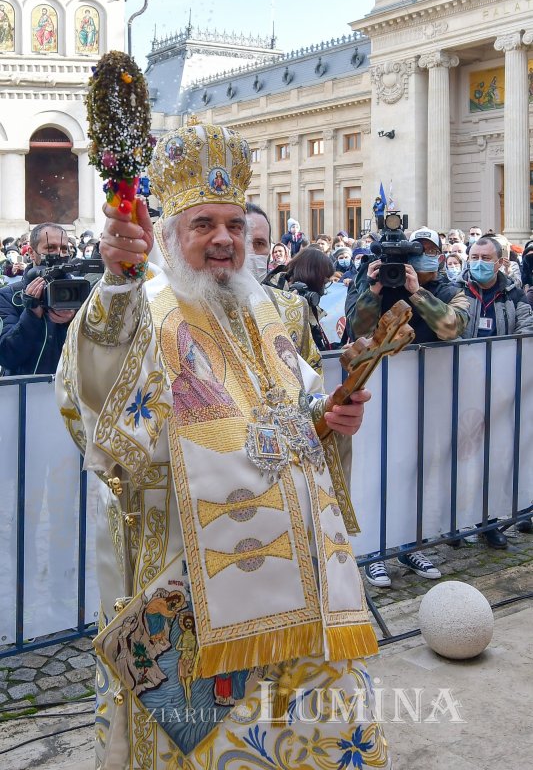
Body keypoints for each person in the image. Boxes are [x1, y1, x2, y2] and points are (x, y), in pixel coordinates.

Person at [56, 122, 390, 770]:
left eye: (234, 225)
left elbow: (296, 428)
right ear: (172, 234)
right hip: (190, 585)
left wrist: (332, 417)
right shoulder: (142, 309)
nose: (222, 239)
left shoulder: (275, 314)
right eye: (203, 223)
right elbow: (90, 392)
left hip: (299, 583)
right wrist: (118, 284)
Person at [347, 226, 470, 586]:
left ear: (440, 256)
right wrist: (373, 290)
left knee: (416, 471)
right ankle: (373, 550)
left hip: (425, 395)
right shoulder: (374, 282)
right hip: (377, 393)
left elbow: (453, 326)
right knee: (375, 471)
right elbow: (356, 326)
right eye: (414, 253)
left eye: (427, 251)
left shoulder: (448, 289)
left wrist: (416, 293)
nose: (418, 260)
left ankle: (408, 544)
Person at [458, 235, 533, 543]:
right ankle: (453, 523)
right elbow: (449, 331)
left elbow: (525, 331)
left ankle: (488, 523)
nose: (478, 263)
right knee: (461, 458)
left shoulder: (514, 294)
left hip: (502, 390)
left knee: (495, 456)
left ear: (501, 262)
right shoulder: (457, 291)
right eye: (474, 256)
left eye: (485, 258)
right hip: (462, 387)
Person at [246, 202, 322, 374]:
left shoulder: (293, 308)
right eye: (245, 242)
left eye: (259, 243)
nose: (250, 252)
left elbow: (313, 383)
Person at [0, 223, 76, 375]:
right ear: (31, 253)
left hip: (69, 391)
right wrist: (31, 315)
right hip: (24, 392)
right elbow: (6, 356)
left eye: (63, 249)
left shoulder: (80, 293)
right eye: (50, 248)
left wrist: (72, 321)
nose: (59, 254)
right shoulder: (9, 296)